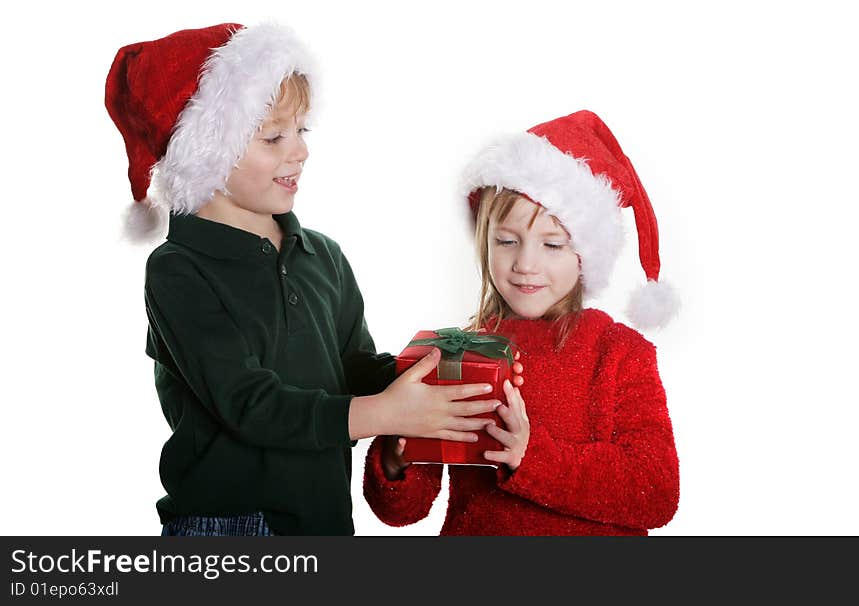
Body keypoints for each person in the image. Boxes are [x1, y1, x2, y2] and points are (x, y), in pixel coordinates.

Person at [105, 22, 503, 536]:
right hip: (225, 529)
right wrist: (381, 413)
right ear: (206, 150)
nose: (300, 151)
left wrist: (429, 376)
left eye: (301, 131)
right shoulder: (178, 270)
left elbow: (354, 367)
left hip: (323, 520)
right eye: (273, 136)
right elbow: (248, 404)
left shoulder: (324, 257)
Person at [364, 110, 681, 535]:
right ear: (485, 241)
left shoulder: (620, 353)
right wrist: (396, 456)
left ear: (585, 253)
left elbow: (654, 491)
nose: (526, 264)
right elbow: (403, 510)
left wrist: (531, 456)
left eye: (552, 244)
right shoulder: (458, 351)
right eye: (508, 241)